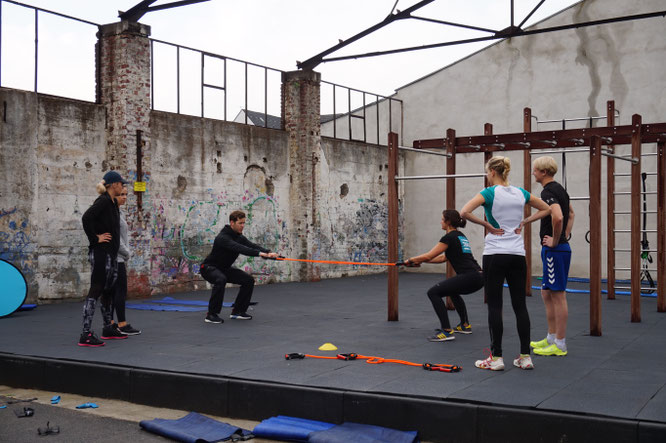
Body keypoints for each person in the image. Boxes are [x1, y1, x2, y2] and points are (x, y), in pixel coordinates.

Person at [461, 156, 550, 371]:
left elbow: (464, 212)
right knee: (520, 305)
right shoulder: (521, 192)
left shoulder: (489, 193)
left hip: (495, 253)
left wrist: (487, 225)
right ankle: (525, 357)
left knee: (495, 305)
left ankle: (497, 358)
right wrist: (525, 222)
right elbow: (547, 209)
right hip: (517, 254)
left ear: (492, 172)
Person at [403, 209, 483, 342]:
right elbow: (442, 258)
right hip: (478, 276)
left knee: (433, 292)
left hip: (470, 276)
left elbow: (430, 255)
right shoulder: (460, 236)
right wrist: (419, 261)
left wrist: (411, 260)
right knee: (452, 291)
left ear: (448, 221)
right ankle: (464, 325)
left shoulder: (449, 237)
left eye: (442, 219)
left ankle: (446, 331)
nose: (440, 222)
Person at [200, 210, 278, 323]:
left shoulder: (239, 237)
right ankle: (211, 314)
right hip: (208, 268)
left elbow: (251, 245)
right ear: (232, 223)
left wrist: (269, 252)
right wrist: (260, 254)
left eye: (243, 223)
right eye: (240, 223)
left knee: (248, 280)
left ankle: (238, 311)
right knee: (220, 279)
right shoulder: (223, 238)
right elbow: (240, 248)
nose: (242, 226)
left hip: (224, 268)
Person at [530, 156, 574, 357]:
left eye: (535, 170)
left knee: (557, 294)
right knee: (546, 292)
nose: (533, 173)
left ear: (543, 172)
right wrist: (565, 234)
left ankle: (560, 343)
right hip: (556, 249)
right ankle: (551, 337)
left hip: (555, 250)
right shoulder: (561, 190)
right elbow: (571, 214)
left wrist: (557, 240)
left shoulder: (548, 191)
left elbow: (558, 216)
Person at [79, 171, 128, 346]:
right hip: (101, 253)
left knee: (109, 291)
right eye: (121, 184)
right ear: (113, 185)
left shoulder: (113, 203)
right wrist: (95, 238)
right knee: (96, 289)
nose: (123, 187)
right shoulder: (103, 201)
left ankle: (108, 327)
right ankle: (85, 333)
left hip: (111, 254)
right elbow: (86, 217)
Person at [112, 185, 141, 336]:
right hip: (117, 258)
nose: (124, 197)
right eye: (121, 194)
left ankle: (111, 323)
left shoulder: (119, 212)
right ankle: (121, 324)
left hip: (118, 257)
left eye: (125, 194)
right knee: (119, 291)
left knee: (114, 292)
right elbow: (116, 239)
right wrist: (126, 253)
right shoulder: (112, 213)